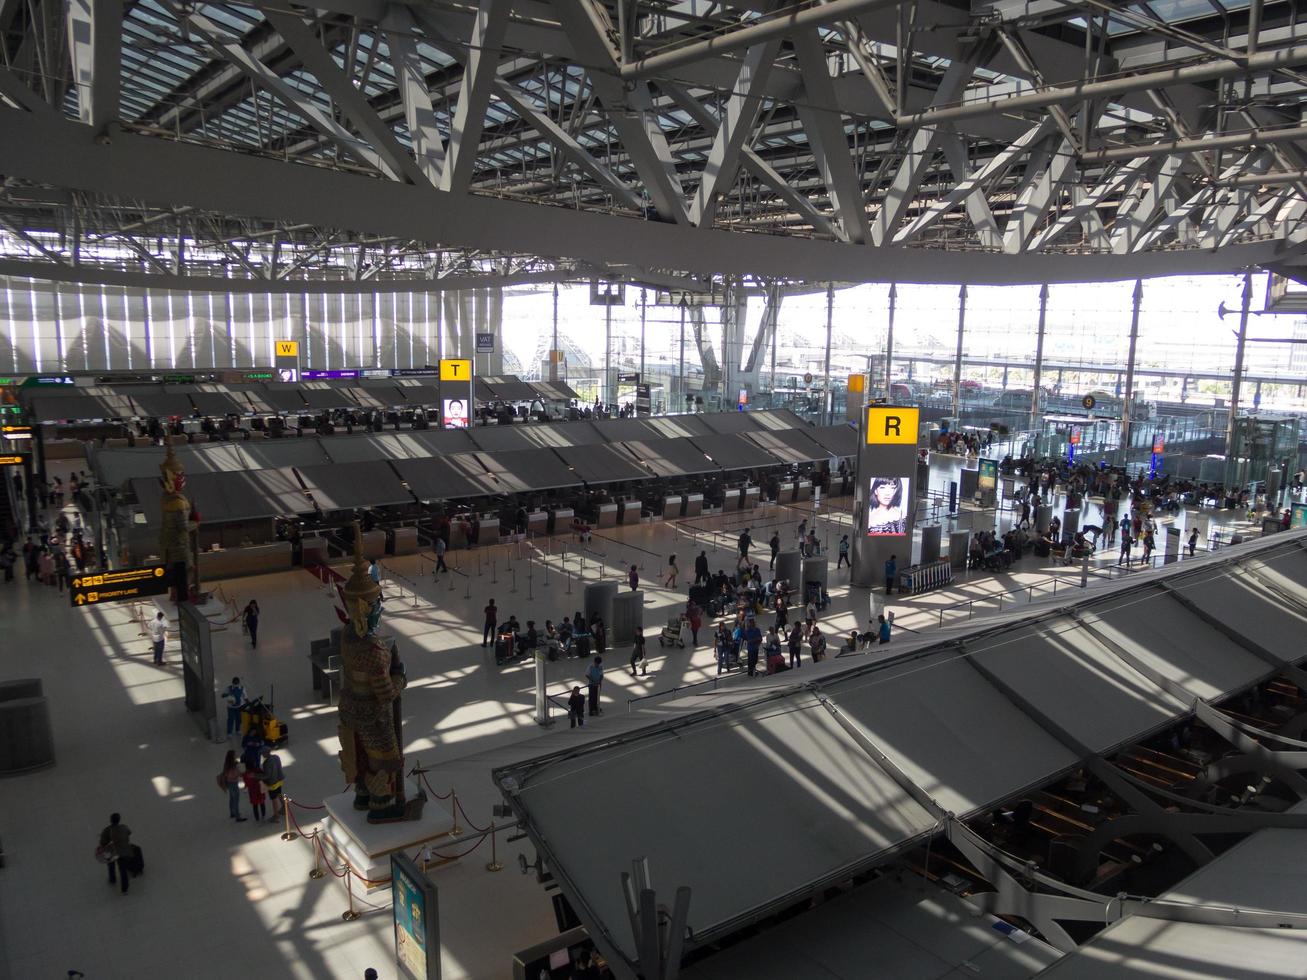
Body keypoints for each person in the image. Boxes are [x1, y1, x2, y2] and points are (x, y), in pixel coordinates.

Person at [98, 813, 133, 894]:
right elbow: (129, 832)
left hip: (113, 852)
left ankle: (112, 879)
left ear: (111, 820)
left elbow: (102, 842)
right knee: (123, 870)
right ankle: (125, 889)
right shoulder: (124, 827)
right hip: (124, 851)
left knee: (111, 864)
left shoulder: (107, 830)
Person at [219, 750, 247, 822]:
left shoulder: (227, 764)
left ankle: (232, 812)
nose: (236, 756)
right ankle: (238, 816)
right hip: (233, 784)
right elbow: (236, 774)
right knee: (236, 800)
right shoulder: (233, 766)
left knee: (231, 798)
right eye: (235, 755)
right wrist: (243, 774)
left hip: (228, 783)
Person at [261, 745, 285, 822]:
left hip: (272, 783)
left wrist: (258, 777)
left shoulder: (266, 763)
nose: (262, 755)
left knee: (274, 799)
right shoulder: (276, 757)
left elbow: (267, 775)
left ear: (265, 753)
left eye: (262, 753)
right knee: (279, 794)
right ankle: (284, 808)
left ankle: (276, 816)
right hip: (279, 779)